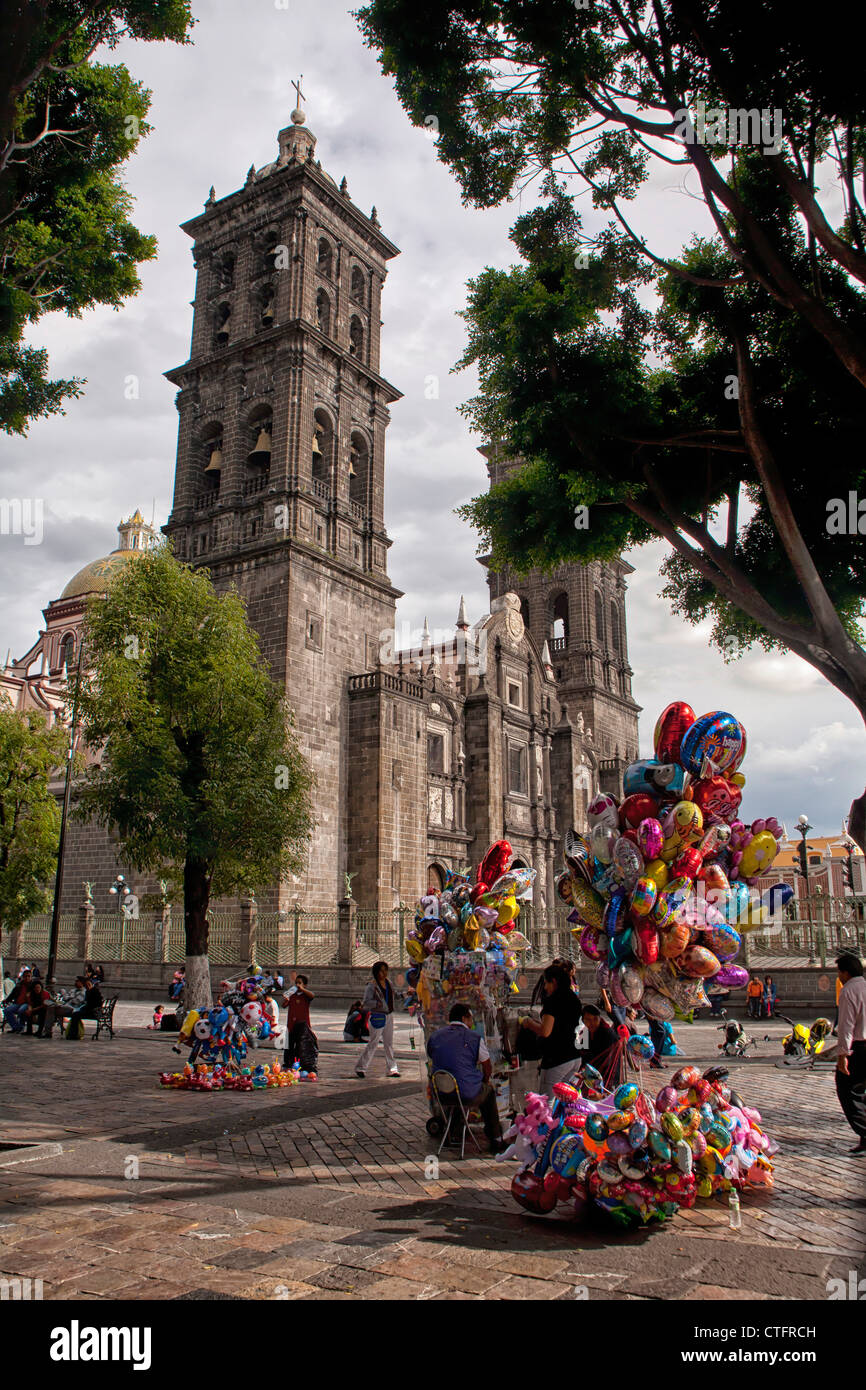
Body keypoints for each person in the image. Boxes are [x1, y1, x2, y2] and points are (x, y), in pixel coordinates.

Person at [427, 1003, 505, 1152]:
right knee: (487, 1092)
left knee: (459, 1087)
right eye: (470, 1019)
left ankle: (454, 1131)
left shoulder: (436, 1035)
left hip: (440, 1092)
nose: (472, 1023)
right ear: (464, 1018)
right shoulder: (474, 1038)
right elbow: (487, 1066)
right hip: (465, 1092)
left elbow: (432, 1054)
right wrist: (483, 1080)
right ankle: (495, 1138)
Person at [518, 963, 582, 1097]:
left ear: (554, 981)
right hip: (574, 1057)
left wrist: (528, 1023)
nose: (545, 988)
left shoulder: (553, 1001)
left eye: (546, 983)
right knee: (566, 1100)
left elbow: (545, 1031)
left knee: (547, 1103)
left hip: (557, 1058)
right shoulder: (573, 998)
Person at [835, 952, 866, 1157]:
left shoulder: (849, 991)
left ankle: (864, 1133)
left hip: (858, 1047)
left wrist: (842, 1054)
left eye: (839, 972)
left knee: (849, 1090)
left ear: (845, 972)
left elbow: (846, 1025)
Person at [355, 961, 400, 1078]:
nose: (384, 973)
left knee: (388, 1043)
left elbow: (393, 995)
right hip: (377, 1015)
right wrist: (378, 1004)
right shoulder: (372, 986)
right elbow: (366, 1002)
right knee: (373, 1042)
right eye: (381, 970)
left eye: (386, 970)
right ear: (376, 972)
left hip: (389, 1015)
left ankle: (392, 1068)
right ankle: (361, 1067)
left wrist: (406, 994)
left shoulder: (388, 983)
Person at [580, 1004, 621, 1087]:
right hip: (594, 1074)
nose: (592, 1023)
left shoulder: (607, 1033)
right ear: (583, 1020)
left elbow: (606, 1060)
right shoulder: (585, 1033)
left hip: (609, 1075)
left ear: (600, 1018)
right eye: (588, 1020)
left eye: (595, 1019)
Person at [282, 974, 317, 1072]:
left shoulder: (306, 996)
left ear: (304, 985)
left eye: (299, 983)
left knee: (300, 1046)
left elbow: (312, 995)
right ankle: (288, 1064)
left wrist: (302, 989)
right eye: (296, 983)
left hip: (302, 1025)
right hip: (291, 1024)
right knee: (289, 1045)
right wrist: (286, 1000)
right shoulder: (292, 995)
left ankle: (300, 1064)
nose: (297, 985)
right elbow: (284, 1005)